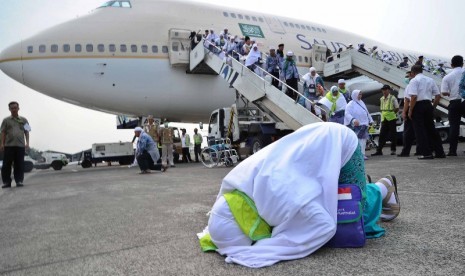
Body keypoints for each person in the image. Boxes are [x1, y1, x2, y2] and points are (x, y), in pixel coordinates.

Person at [198, 122, 400, 268]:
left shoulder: (278, 200)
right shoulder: (240, 186)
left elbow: (324, 225)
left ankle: (382, 187)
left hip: (340, 143)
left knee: (349, 214)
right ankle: (357, 186)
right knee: (330, 195)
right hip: (316, 143)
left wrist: (269, 245)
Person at [407, 65, 445, 159]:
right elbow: (437, 96)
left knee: (420, 131)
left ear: (413, 72)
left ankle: (427, 153)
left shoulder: (414, 80)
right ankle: (440, 152)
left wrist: (410, 110)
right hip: (428, 104)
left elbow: (414, 97)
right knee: (431, 129)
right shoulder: (430, 80)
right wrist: (433, 107)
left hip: (418, 105)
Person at [1, 101, 30, 188]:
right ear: (9, 109)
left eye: (15, 107)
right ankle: (6, 182)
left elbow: (27, 131)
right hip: (9, 145)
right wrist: (2, 144)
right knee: (6, 165)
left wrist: (27, 143)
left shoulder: (23, 120)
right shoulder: (6, 120)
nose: (14, 109)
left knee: (19, 164)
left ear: (18, 108)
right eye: (12, 108)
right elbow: (3, 132)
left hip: (20, 146)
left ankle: (19, 181)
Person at [441, 55, 465, 156]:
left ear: (451, 65)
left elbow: (443, 92)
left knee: (454, 127)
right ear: (462, 63)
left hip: (454, 102)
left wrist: (451, 93)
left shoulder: (447, 77)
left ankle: (452, 151)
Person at [344, 90, 374, 159]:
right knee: (356, 140)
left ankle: (362, 154)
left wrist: (371, 120)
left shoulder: (362, 102)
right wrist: (353, 120)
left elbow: (366, 112)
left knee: (363, 140)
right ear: (355, 95)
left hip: (364, 124)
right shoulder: (350, 104)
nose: (360, 96)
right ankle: (356, 154)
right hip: (356, 125)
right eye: (359, 94)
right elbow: (347, 114)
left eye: (361, 94)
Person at [372, 85, 399, 156]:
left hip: (391, 118)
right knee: (382, 135)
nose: (384, 91)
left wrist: (392, 113)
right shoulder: (381, 98)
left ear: (389, 90)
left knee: (393, 134)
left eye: (385, 90)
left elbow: (397, 108)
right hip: (384, 118)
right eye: (383, 90)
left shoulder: (392, 98)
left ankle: (393, 150)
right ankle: (379, 150)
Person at [398, 71, 418, 157]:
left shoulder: (409, 86)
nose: (407, 78)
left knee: (407, 133)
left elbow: (407, 100)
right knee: (420, 131)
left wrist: (404, 112)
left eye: (408, 76)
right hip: (420, 107)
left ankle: (405, 151)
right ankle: (420, 150)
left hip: (411, 108)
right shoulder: (420, 84)